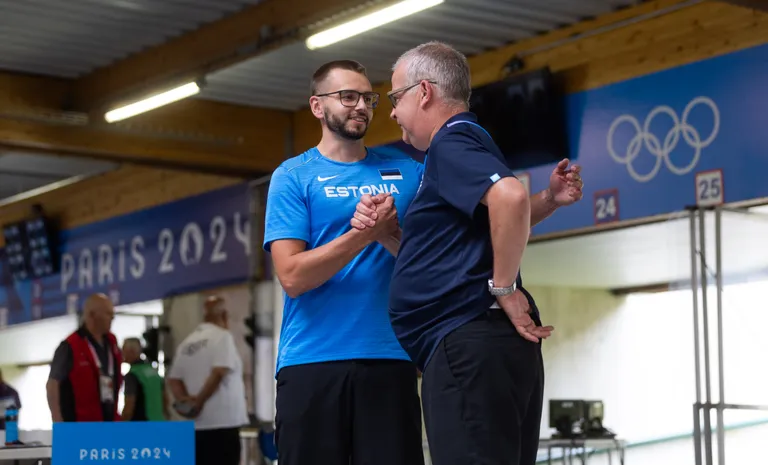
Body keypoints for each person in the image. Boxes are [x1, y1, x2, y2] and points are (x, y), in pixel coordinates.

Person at [353, 41, 584, 465]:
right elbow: (490, 226)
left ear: (424, 93)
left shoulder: (450, 143)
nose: (390, 112)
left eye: (395, 98)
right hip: (484, 348)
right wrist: (548, 201)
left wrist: (504, 286)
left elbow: (509, 198)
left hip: (468, 346)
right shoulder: (472, 142)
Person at [263, 59, 424, 465]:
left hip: (390, 359)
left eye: (368, 98)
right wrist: (362, 235)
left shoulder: (408, 172)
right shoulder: (293, 176)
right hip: (312, 363)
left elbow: (425, 267)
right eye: (348, 97)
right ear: (317, 106)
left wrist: (388, 234)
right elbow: (293, 277)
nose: (361, 106)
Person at [167, 295, 248, 465]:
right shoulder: (222, 337)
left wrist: (184, 402)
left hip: (196, 427)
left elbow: (174, 379)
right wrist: (199, 402)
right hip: (223, 424)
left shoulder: (187, 343)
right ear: (224, 315)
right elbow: (219, 372)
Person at [46, 293, 122, 423]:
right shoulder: (70, 346)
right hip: (79, 426)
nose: (113, 318)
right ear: (92, 315)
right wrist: (58, 423)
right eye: (108, 314)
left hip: (109, 425)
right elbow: (53, 385)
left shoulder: (112, 343)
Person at [121, 337, 168, 421]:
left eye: (123, 350)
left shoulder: (132, 375)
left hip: (141, 426)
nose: (122, 354)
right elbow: (165, 399)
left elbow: (129, 406)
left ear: (131, 352)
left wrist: (120, 425)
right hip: (159, 423)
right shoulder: (153, 371)